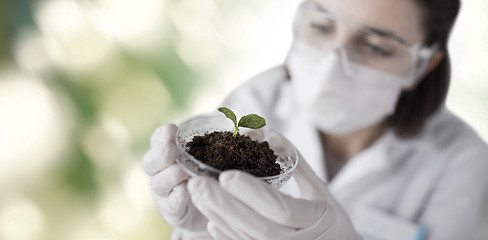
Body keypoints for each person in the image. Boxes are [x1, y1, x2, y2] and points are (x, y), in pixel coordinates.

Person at [142, 0, 488, 239]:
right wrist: (200, 230)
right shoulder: (257, 101)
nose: (332, 63)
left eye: (377, 47)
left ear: (424, 65)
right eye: (323, 26)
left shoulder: (461, 161)